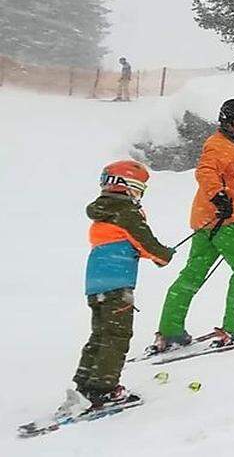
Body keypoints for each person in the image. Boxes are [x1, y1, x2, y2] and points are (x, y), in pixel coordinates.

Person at [154, 98, 234, 351]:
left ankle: (170, 329)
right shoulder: (219, 145)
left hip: (206, 220)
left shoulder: (233, 146)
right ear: (225, 121)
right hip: (226, 223)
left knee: (193, 273)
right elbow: (205, 172)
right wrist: (219, 198)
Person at [59, 161, 174, 415]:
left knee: (100, 335)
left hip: (96, 285)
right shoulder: (126, 212)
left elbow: (124, 243)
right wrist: (164, 254)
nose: (138, 194)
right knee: (117, 336)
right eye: (137, 188)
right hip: (117, 284)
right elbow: (148, 245)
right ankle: (103, 390)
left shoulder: (103, 211)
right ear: (125, 186)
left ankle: (85, 384)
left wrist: (147, 253)